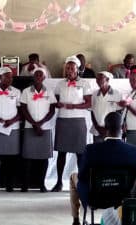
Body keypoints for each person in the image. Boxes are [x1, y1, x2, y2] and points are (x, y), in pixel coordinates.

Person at [69, 112, 136, 225]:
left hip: (94, 198)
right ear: (123, 127)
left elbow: (82, 176)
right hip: (122, 198)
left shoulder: (91, 150)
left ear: (105, 127)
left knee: (73, 176)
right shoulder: (133, 151)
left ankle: (76, 220)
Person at [52, 55, 92, 192]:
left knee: (80, 153)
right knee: (61, 153)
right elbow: (55, 101)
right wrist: (57, 104)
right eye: (67, 68)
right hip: (63, 120)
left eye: (72, 68)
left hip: (78, 121)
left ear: (77, 69)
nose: (69, 70)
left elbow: (89, 103)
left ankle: (81, 183)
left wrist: (73, 106)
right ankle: (58, 182)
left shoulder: (84, 84)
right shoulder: (60, 84)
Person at [20, 68, 56, 192]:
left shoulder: (49, 92)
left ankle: (41, 184)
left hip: (45, 128)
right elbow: (23, 110)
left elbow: (52, 110)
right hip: (30, 127)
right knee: (28, 157)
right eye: (36, 75)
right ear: (33, 77)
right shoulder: (25, 92)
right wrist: (34, 124)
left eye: (41, 75)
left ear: (44, 78)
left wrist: (41, 123)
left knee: (43, 157)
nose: (39, 76)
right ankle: (25, 184)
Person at [118, 65, 136, 155]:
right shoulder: (133, 92)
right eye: (130, 80)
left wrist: (128, 106)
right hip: (129, 129)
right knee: (130, 155)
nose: (131, 82)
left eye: (134, 80)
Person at [91, 71, 122, 143]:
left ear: (107, 80)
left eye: (100, 78)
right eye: (97, 79)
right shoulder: (95, 94)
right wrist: (97, 127)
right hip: (97, 130)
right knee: (98, 152)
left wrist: (110, 128)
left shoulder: (116, 93)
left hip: (112, 132)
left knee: (110, 153)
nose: (98, 81)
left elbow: (119, 113)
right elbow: (92, 111)